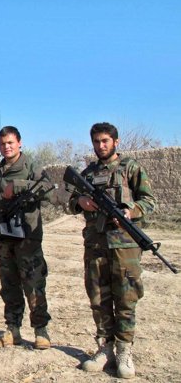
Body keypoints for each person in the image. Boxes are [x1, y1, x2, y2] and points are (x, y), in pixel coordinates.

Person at [68, 122, 156, 379]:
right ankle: (104, 348)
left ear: (115, 142)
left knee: (126, 299)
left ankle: (124, 351)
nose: (100, 145)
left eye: (105, 140)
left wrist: (131, 211)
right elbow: (72, 201)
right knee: (98, 299)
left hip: (125, 245)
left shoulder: (131, 168)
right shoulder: (87, 173)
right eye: (96, 141)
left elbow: (149, 199)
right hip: (96, 245)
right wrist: (81, 202)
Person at [0, 126, 53, 350]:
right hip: (4, 238)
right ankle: (13, 329)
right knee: (9, 285)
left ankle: (41, 330)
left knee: (33, 284)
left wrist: (18, 187)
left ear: (19, 142)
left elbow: (49, 192)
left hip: (27, 238)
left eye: (10, 143)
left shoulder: (31, 167)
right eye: (2, 144)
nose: (6, 147)